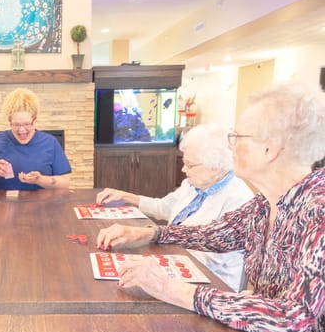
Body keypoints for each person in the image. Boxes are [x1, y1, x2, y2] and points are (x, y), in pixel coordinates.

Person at [96, 82, 325, 332]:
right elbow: (216, 234)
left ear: (269, 149)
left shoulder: (319, 212)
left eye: (237, 137)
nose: (230, 146)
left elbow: (291, 321)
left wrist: (173, 289)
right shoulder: (264, 204)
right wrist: (151, 233)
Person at [96, 123, 254, 291]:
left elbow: (210, 256)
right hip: (174, 267)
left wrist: (153, 247)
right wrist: (125, 196)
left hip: (210, 286)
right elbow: (163, 207)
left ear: (215, 167)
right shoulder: (194, 184)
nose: (184, 169)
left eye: (190, 164)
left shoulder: (239, 199)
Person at [0, 87, 71, 190]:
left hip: (41, 204)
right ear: (10, 122)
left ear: (34, 120)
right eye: (16, 125)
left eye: (27, 124)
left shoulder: (50, 142)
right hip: (3, 204)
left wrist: (40, 180)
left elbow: (65, 183)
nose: (22, 130)